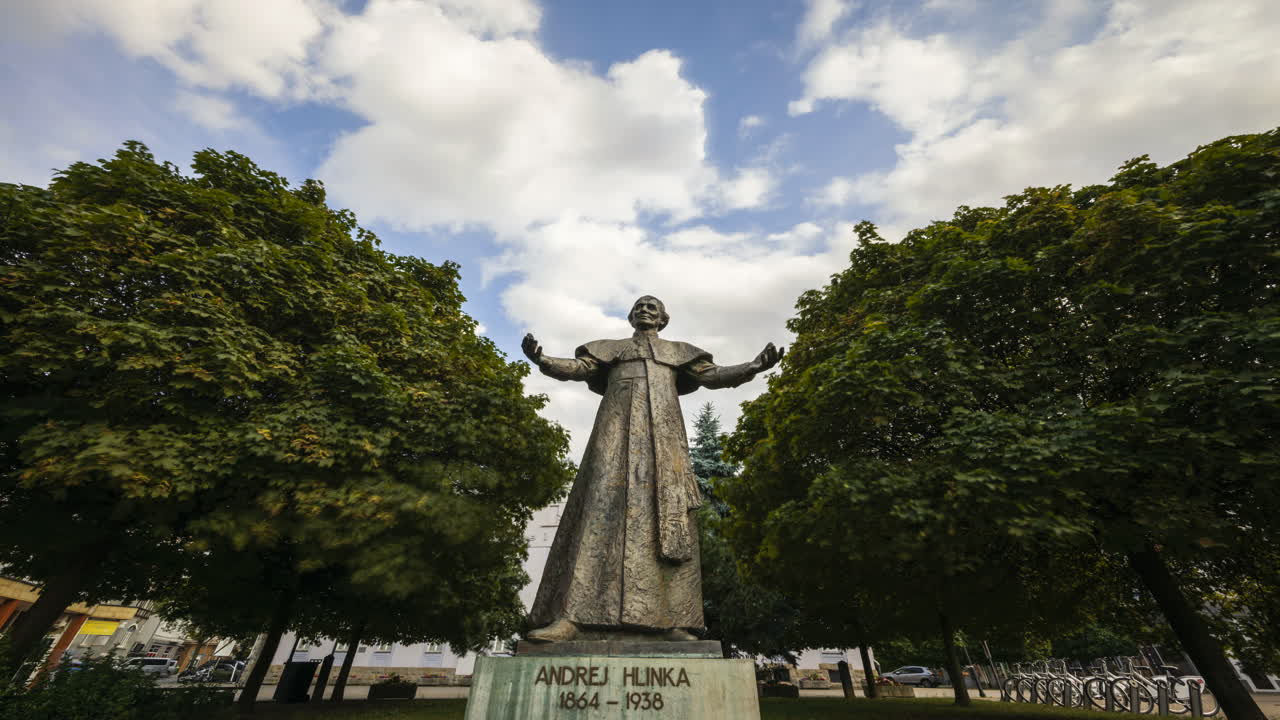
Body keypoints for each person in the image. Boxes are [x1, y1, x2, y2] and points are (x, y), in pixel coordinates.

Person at [521, 295, 782, 642]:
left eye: (652, 307)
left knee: (668, 525)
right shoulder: (611, 350)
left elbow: (713, 375)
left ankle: (671, 622)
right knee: (597, 517)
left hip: (663, 446)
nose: (645, 310)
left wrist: (751, 366)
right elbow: (579, 368)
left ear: (663, 319)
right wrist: (543, 359)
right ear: (631, 316)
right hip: (613, 442)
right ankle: (572, 618)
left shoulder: (678, 353)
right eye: (640, 306)